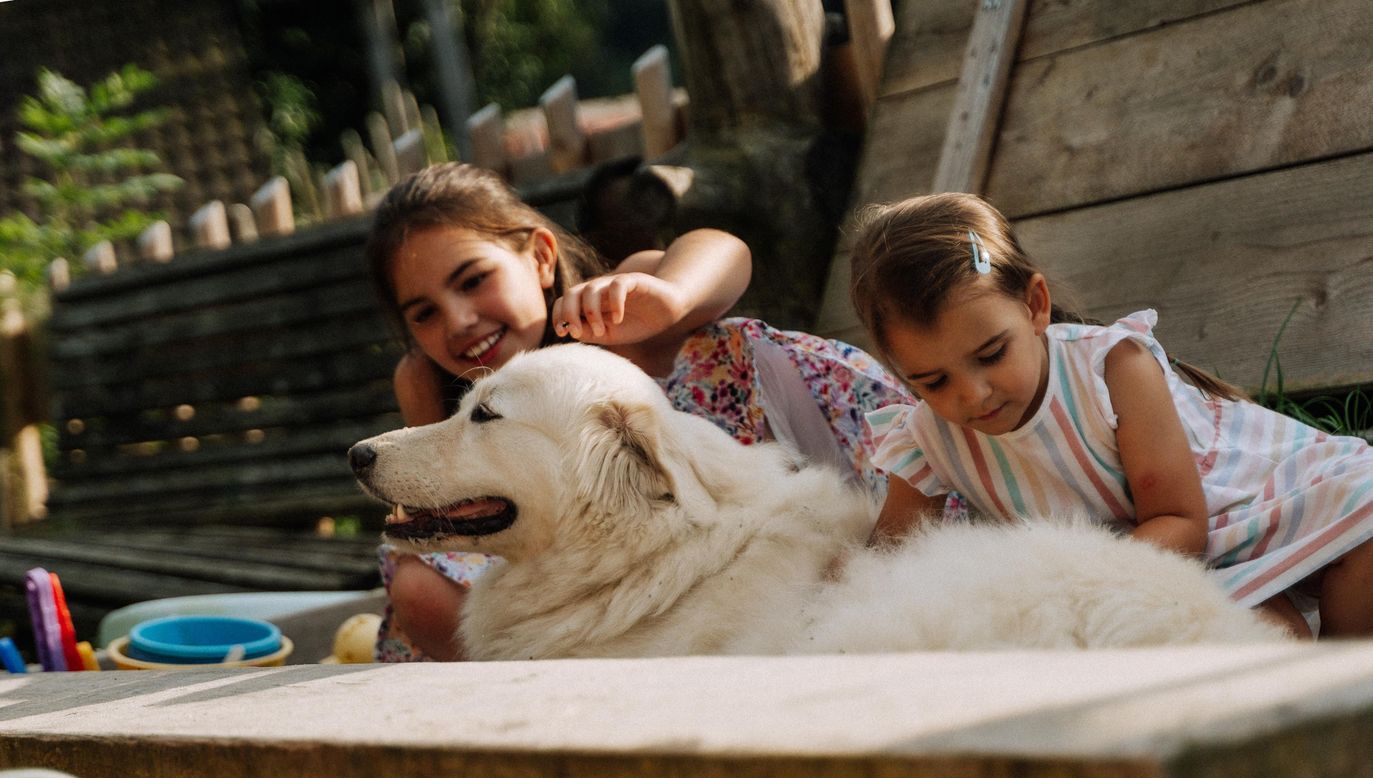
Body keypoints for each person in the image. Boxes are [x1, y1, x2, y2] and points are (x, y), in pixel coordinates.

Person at [365, 162, 919, 661]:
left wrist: (667, 298)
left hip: (714, 521)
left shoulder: (614, 314)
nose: (458, 320)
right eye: (424, 314)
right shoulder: (427, 378)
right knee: (419, 587)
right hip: (559, 563)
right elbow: (430, 485)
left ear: (539, 256)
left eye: (473, 280)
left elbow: (722, 250)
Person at [848, 192, 1373, 639]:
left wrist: (1064, 581)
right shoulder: (926, 438)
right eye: (932, 381)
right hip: (1153, 568)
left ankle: (1352, 697)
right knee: (1269, 645)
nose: (972, 394)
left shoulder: (1111, 368)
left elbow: (1182, 523)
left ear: (1035, 305)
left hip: (1237, 503)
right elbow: (891, 561)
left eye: (991, 355)